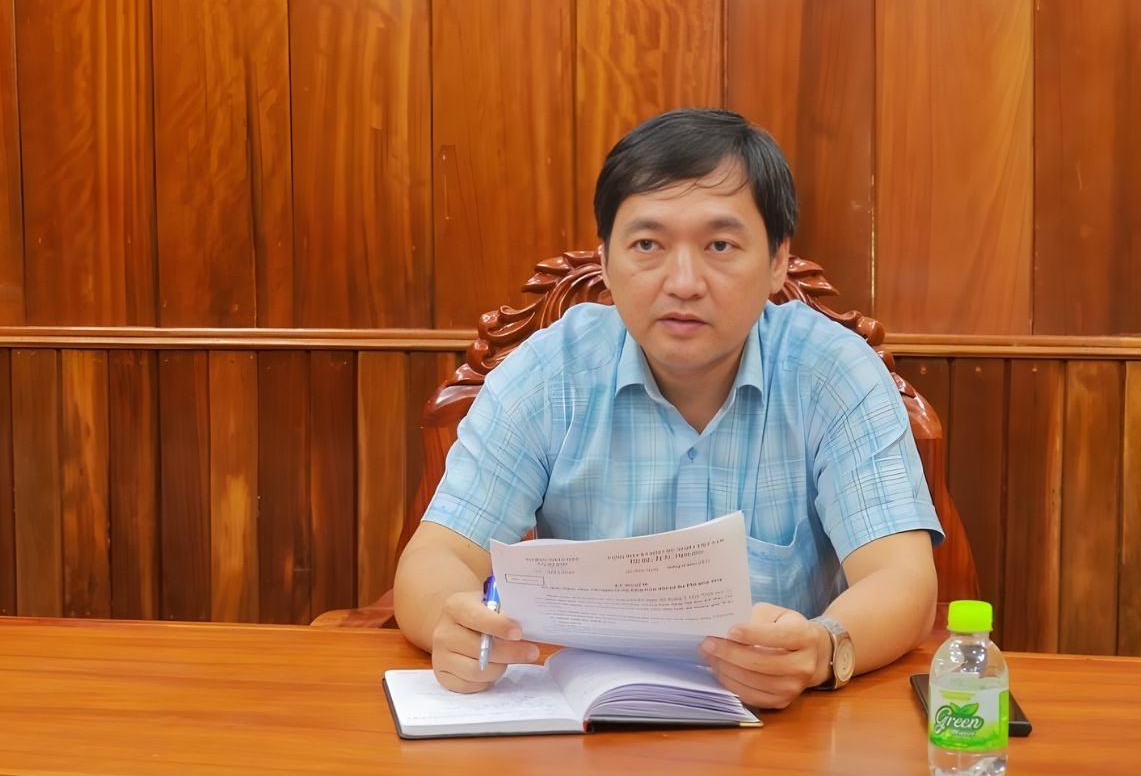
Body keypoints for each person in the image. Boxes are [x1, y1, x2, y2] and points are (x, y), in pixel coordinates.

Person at [393, 108, 941, 709]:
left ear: (777, 261)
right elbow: (438, 555)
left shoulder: (833, 372)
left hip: (784, 723)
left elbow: (901, 578)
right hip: (588, 722)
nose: (684, 282)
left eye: (720, 245)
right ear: (606, 261)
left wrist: (824, 647)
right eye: (648, 244)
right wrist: (453, 624)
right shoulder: (550, 372)